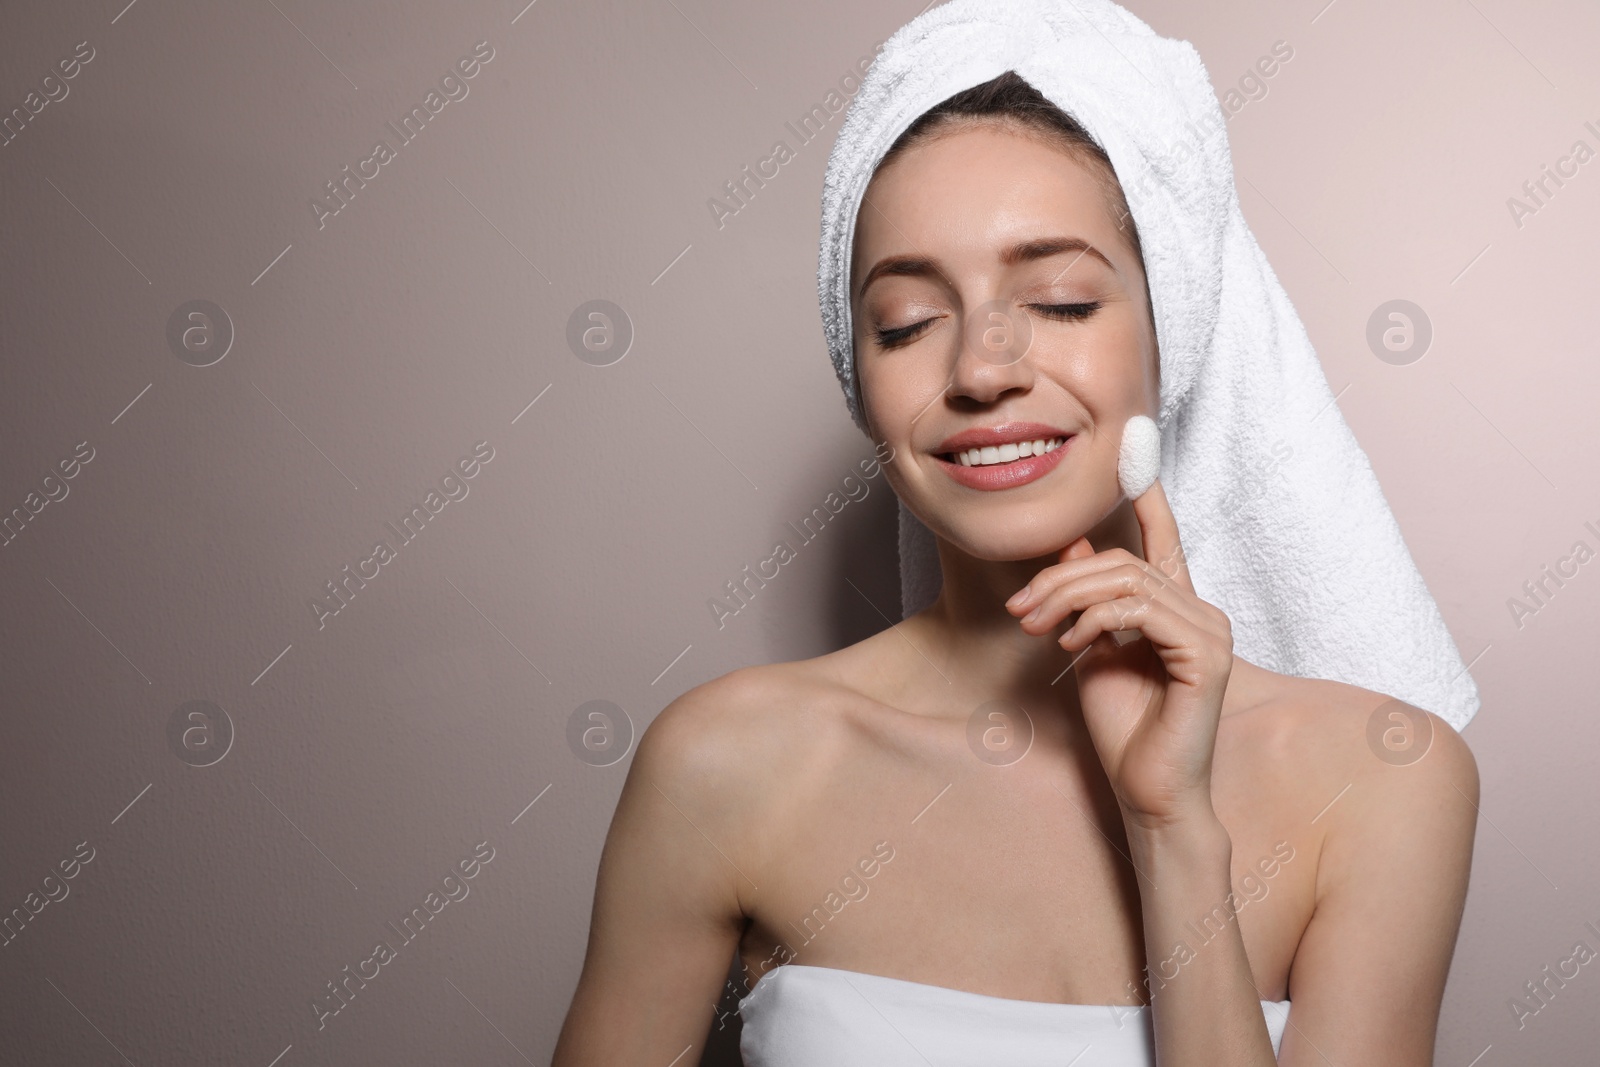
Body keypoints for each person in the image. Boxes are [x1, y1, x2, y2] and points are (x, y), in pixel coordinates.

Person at [552, 53, 1478, 1067]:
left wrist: (1170, 827)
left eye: (1064, 302)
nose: (982, 369)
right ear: (859, 376)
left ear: (1176, 334)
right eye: (906, 322)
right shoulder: (726, 763)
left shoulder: (1385, 780)